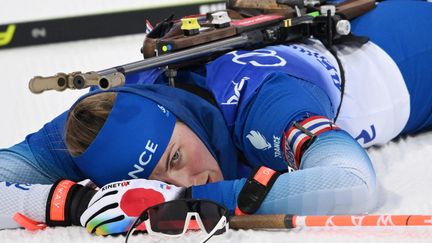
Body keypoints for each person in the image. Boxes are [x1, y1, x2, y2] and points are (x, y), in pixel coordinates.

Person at [1, 0, 431, 236]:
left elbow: (351, 185)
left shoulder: (262, 105)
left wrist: (181, 206)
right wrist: (73, 204)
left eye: (174, 159)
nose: (189, 181)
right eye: (158, 182)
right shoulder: (99, 123)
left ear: (179, 116)